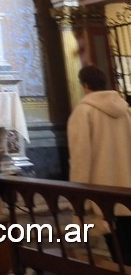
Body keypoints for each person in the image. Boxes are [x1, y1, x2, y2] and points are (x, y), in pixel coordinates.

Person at [67, 64, 131, 265]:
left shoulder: (84, 112)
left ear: (85, 85)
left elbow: (81, 157)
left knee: (118, 254)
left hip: (102, 193)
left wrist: (78, 196)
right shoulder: (124, 109)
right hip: (127, 189)